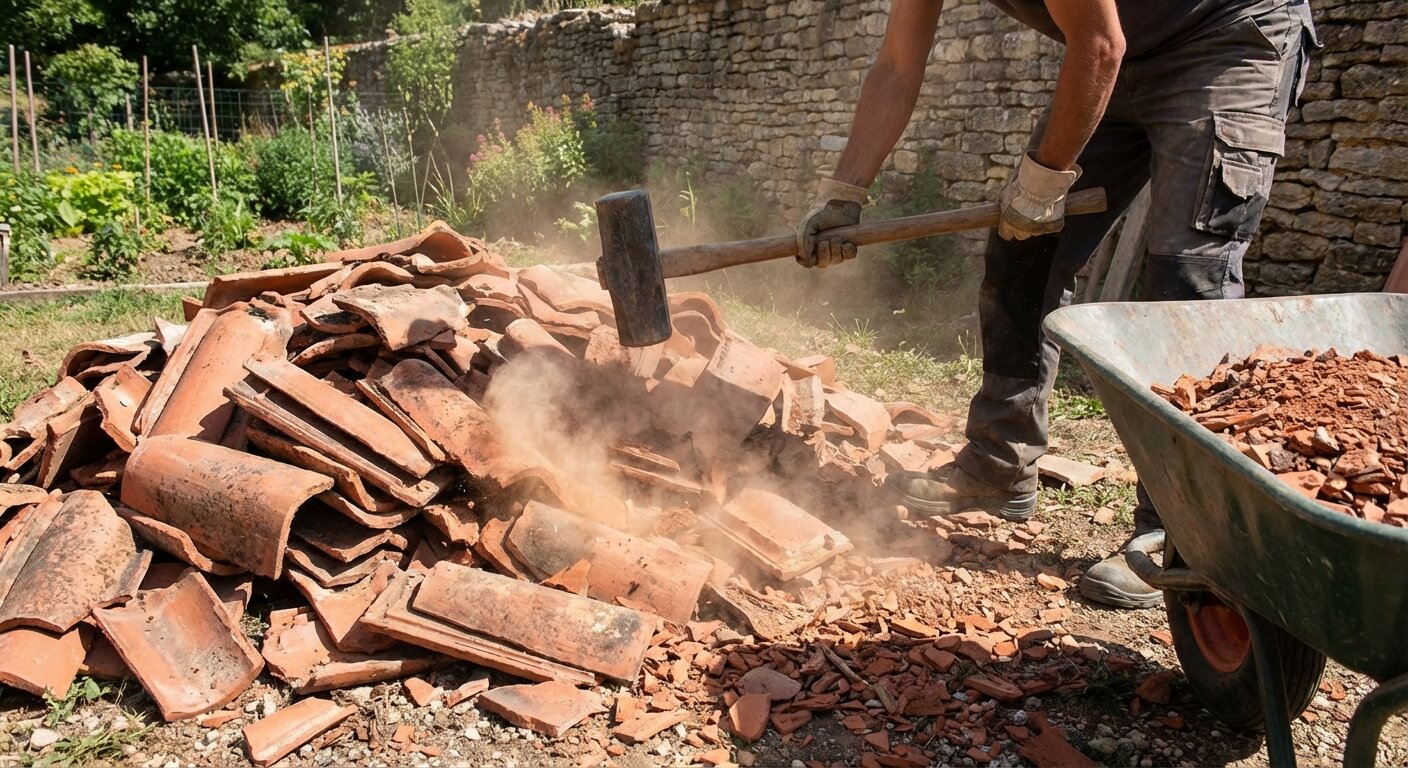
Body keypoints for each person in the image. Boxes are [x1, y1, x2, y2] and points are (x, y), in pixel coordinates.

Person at [796, 0, 1317, 609]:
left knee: (1187, 282)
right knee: (1025, 247)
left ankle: (1184, 533)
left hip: (1226, 36)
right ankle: (1001, 461)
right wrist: (845, 192)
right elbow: (895, 65)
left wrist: (1043, 183)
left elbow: (1098, 45)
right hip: (1123, 50)